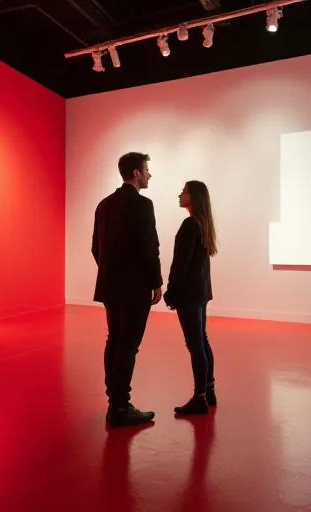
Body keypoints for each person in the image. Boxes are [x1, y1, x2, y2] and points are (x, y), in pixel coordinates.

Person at [92, 152, 163, 428]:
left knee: (115, 339)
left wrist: (110, 270)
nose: (149, 175)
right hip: (134, 288)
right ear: (135, 173)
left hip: (110, 285)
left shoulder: (104, 205)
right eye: (146, 170)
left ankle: (115, 400)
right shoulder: (143, 205)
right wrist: (155, 281)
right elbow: (149, 247)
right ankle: (120, 406)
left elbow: (96, 247)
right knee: (128, 345)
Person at [164, 180, 217, 415]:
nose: (179, 194)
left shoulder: (189, 225)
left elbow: (180, 264)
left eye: (183, 191)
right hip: (201, 292)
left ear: (193, 197)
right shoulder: (203, 225)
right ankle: (209, 390)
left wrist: (170, 292)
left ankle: (199, 398)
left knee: (195, 344)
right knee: (201, 340)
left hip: (189, 294)